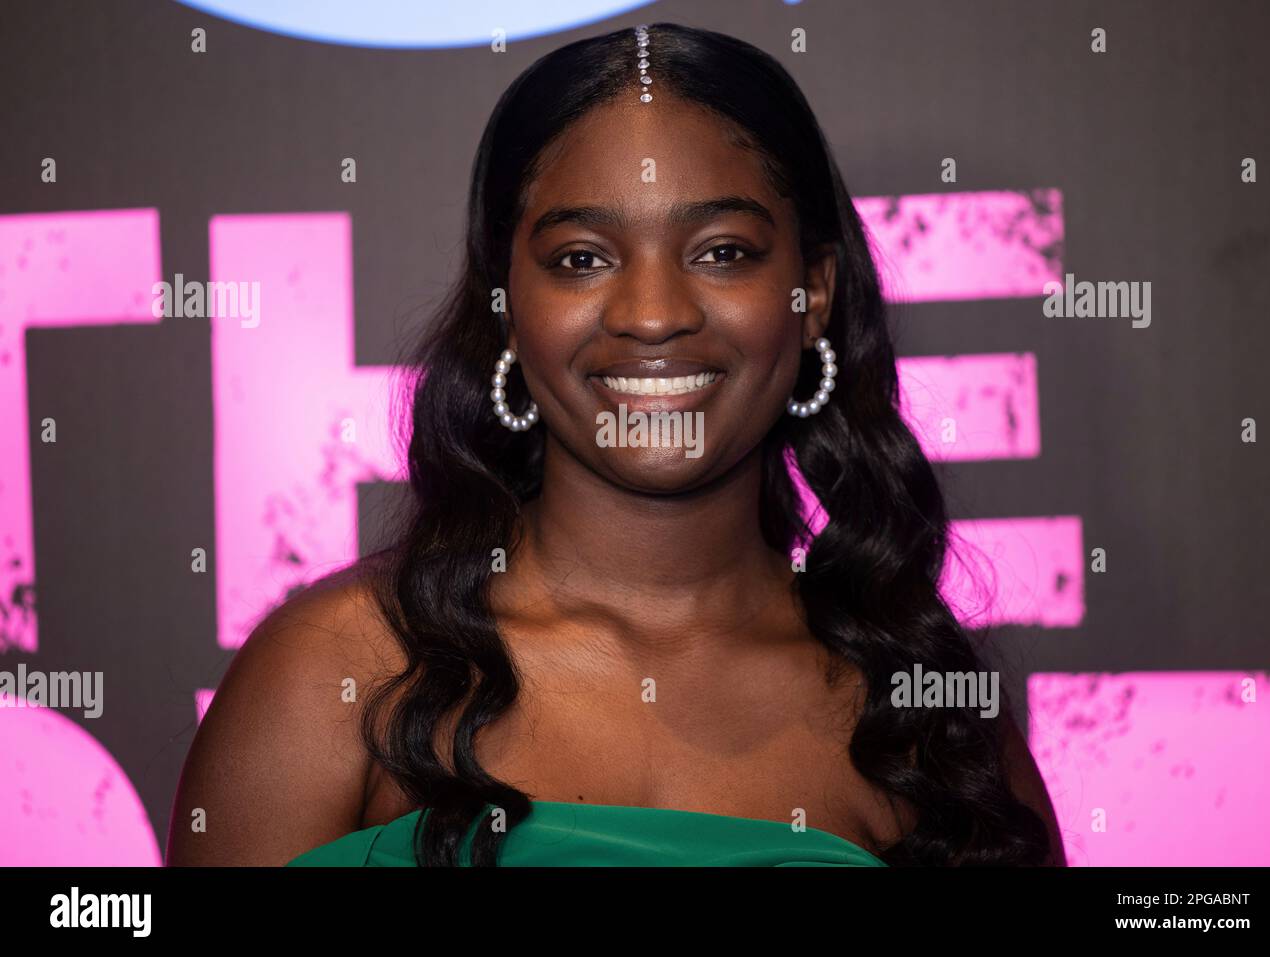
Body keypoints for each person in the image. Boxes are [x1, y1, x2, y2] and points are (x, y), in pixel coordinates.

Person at [166, 21, 1066, 867]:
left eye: (722, 251)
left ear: (815, 290)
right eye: (581, 258)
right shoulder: (338, 673)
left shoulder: (925, 716)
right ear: (505, 301)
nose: (652, 316)